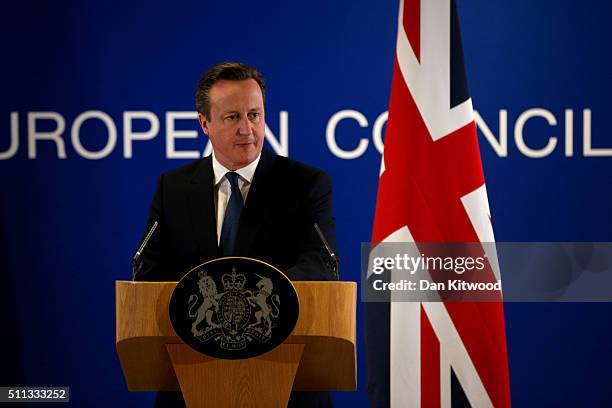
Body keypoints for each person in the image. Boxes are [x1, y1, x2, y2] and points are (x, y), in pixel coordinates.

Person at [135, 62, 337, 408]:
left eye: (255, 115)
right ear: (204, 123)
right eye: (232, 117)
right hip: (191, 376)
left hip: (285, 378)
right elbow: (150, 270)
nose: (248, 129)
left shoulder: (304, 184)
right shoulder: (174, 187)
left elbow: (320, 262)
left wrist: (257, 296)